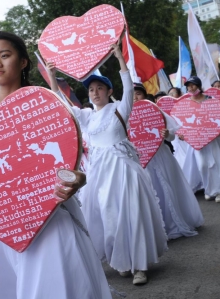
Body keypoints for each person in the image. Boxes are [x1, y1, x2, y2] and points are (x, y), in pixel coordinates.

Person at [0, 31, 112, 299]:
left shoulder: (47, 106)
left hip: (49, 217)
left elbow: (76, 158)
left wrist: (78, 179)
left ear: (23, 62)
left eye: (5, 56)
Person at [46, 44, 167, 285]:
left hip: (124, 170)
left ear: (108, 90)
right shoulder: (86, 115)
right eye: (91, 89)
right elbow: (60, 102)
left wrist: (120, 58)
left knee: (132, 213)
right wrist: (51, 75)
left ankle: (140, 266)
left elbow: (128, 85)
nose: (94, 92)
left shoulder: (120, 108)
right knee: (109, 216)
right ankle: (121, 260)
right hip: (99, 174)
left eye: (99, 88)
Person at [135, 82, 204, 239]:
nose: (135, 98)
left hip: (161, 155)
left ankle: (175, 222)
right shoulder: (125, 115)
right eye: (132, 95)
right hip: (142, 160)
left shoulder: (156, 111)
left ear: (145, 96)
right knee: (151, 190)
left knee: (167, 187)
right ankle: (158, 228)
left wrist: (166, 134)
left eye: (138, 94)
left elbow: (173, 135)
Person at [180, 76, 220, 203]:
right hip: (196, 140)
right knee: (202, 165)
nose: (191, 88)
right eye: (188, 86)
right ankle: (208, 189)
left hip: (212, 138)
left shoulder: (211, 100)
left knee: (216, 163)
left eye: (193, 85)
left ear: (199, 86)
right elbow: (181, 122)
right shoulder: (185, 104)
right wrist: (181, 133)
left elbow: (219, 116)